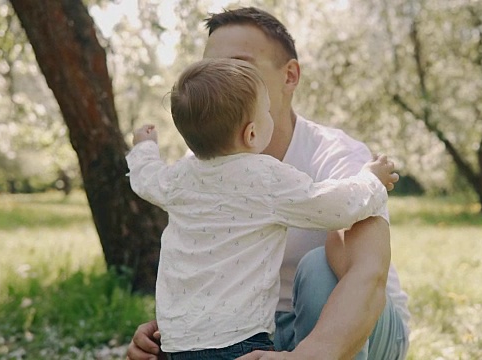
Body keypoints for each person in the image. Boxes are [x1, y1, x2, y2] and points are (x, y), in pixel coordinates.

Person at [127, 7, 411, 360]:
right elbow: (199, 267)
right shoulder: (197, 173)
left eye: (239, 66)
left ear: (290, 76)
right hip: (253, 336)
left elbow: (367, 274)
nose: (223, 77)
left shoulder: (337, 157)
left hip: (350, 326)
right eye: (211, 70)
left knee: (319, 268)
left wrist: (311, 354)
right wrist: (173, 333)